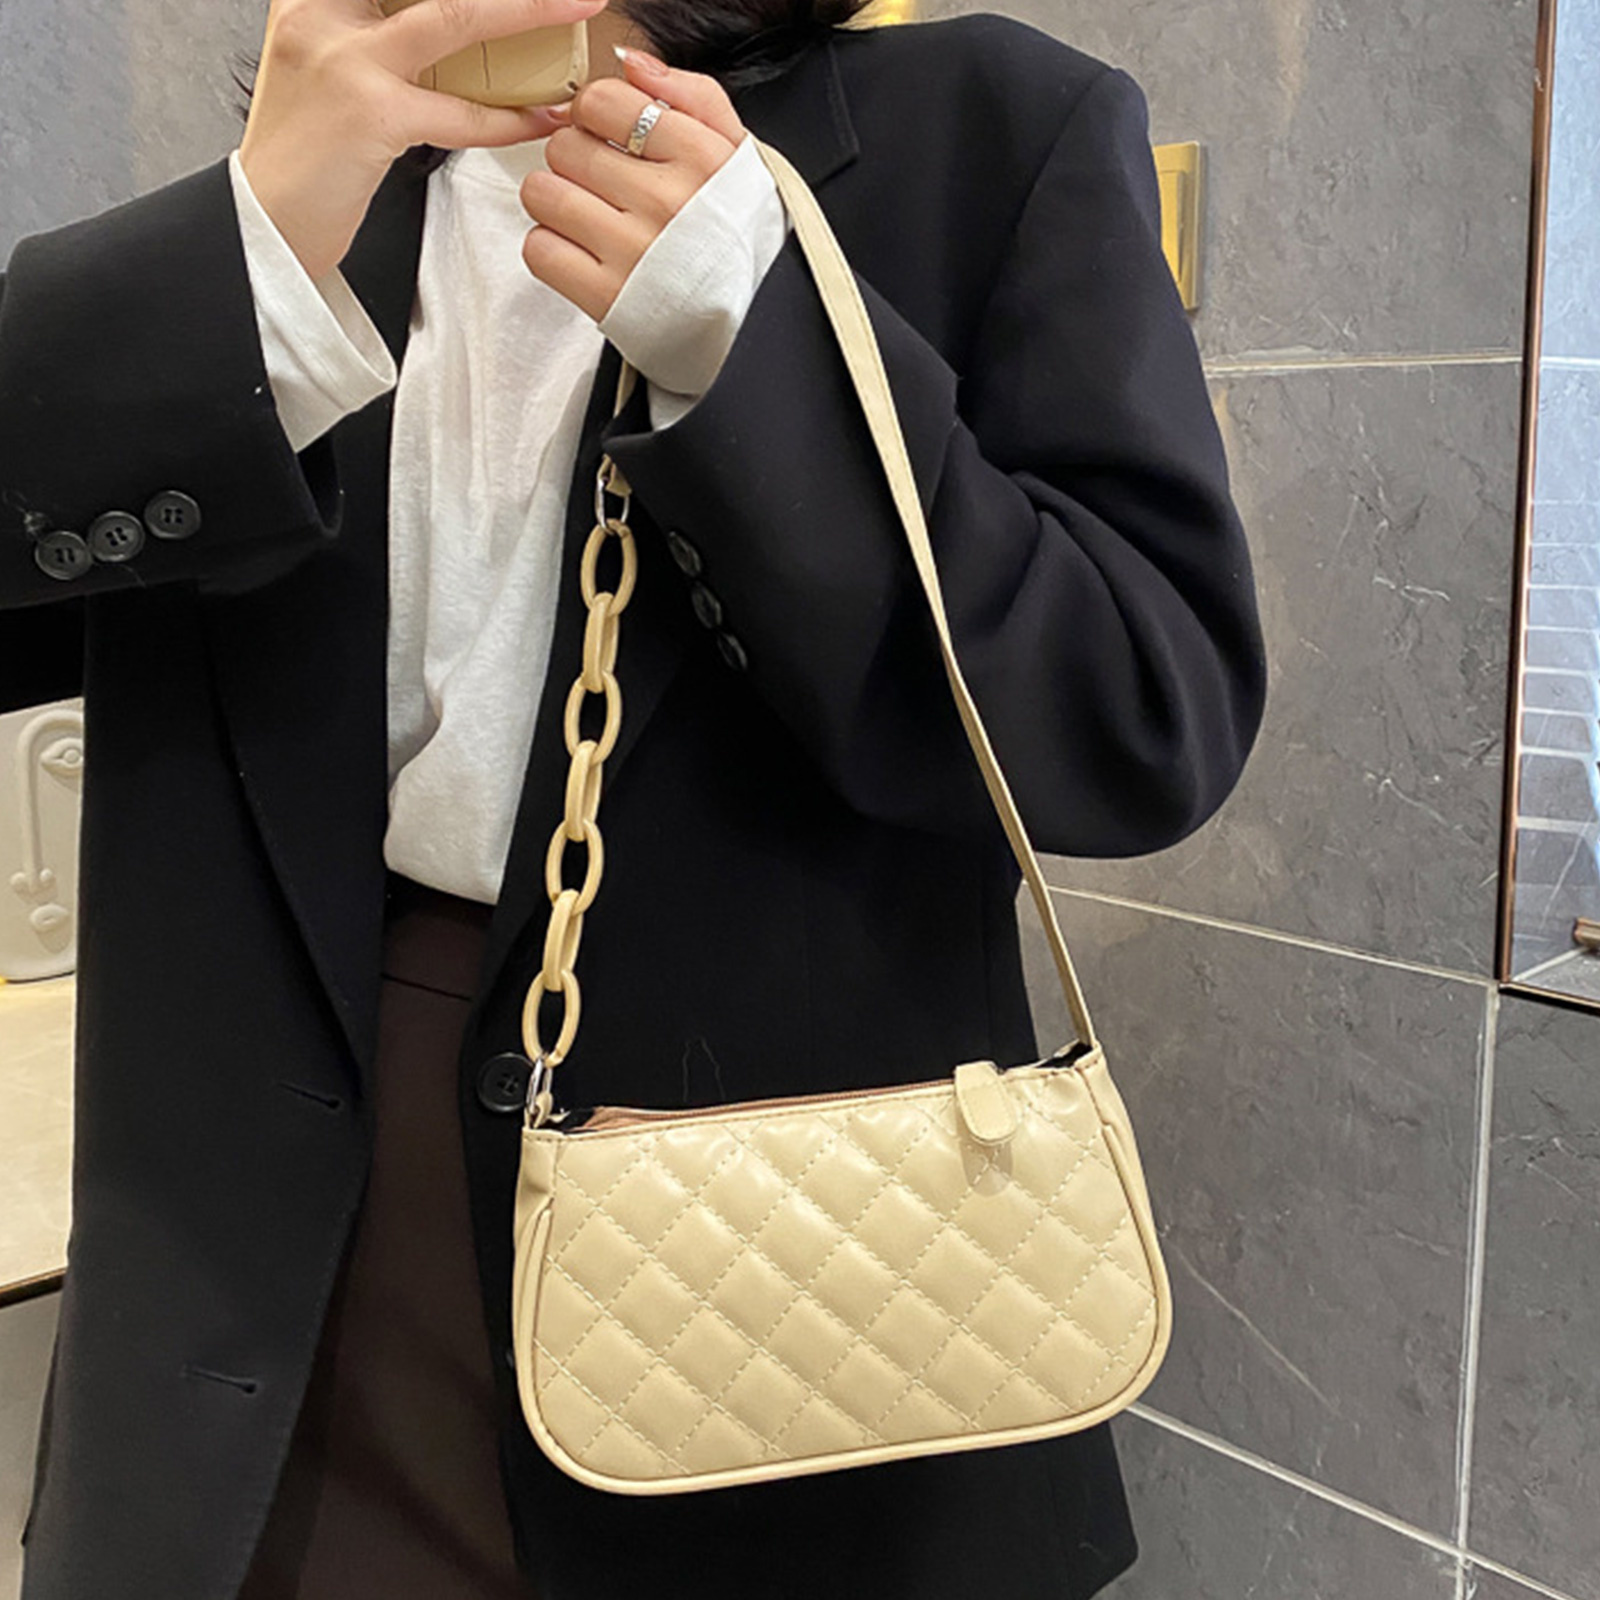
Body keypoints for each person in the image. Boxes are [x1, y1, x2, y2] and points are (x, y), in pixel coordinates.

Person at [0, 0, 1266, 1595]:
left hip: (787, 1280)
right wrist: (238, 258)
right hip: (264, 1280)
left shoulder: (989, 131)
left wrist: (756, 336)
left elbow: (1141, 714)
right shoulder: (326, 172)